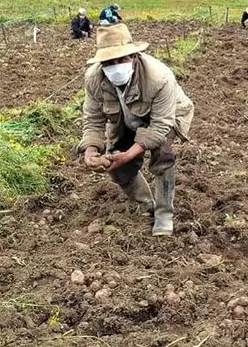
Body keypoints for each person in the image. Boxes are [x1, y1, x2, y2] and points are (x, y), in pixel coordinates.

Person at [77, 23, 194, 236]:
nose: (116, 65)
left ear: (134, 56)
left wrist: (130, 154)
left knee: (162, 155)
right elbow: (93, 119)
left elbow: (160, 127)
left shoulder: (159, 77)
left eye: (122, 59)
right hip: (124, 120)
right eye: (109, 62)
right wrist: (91, 150)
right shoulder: (94, 79)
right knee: (117, 165)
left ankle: (164, 214)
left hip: (166, 116)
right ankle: (146, 203)